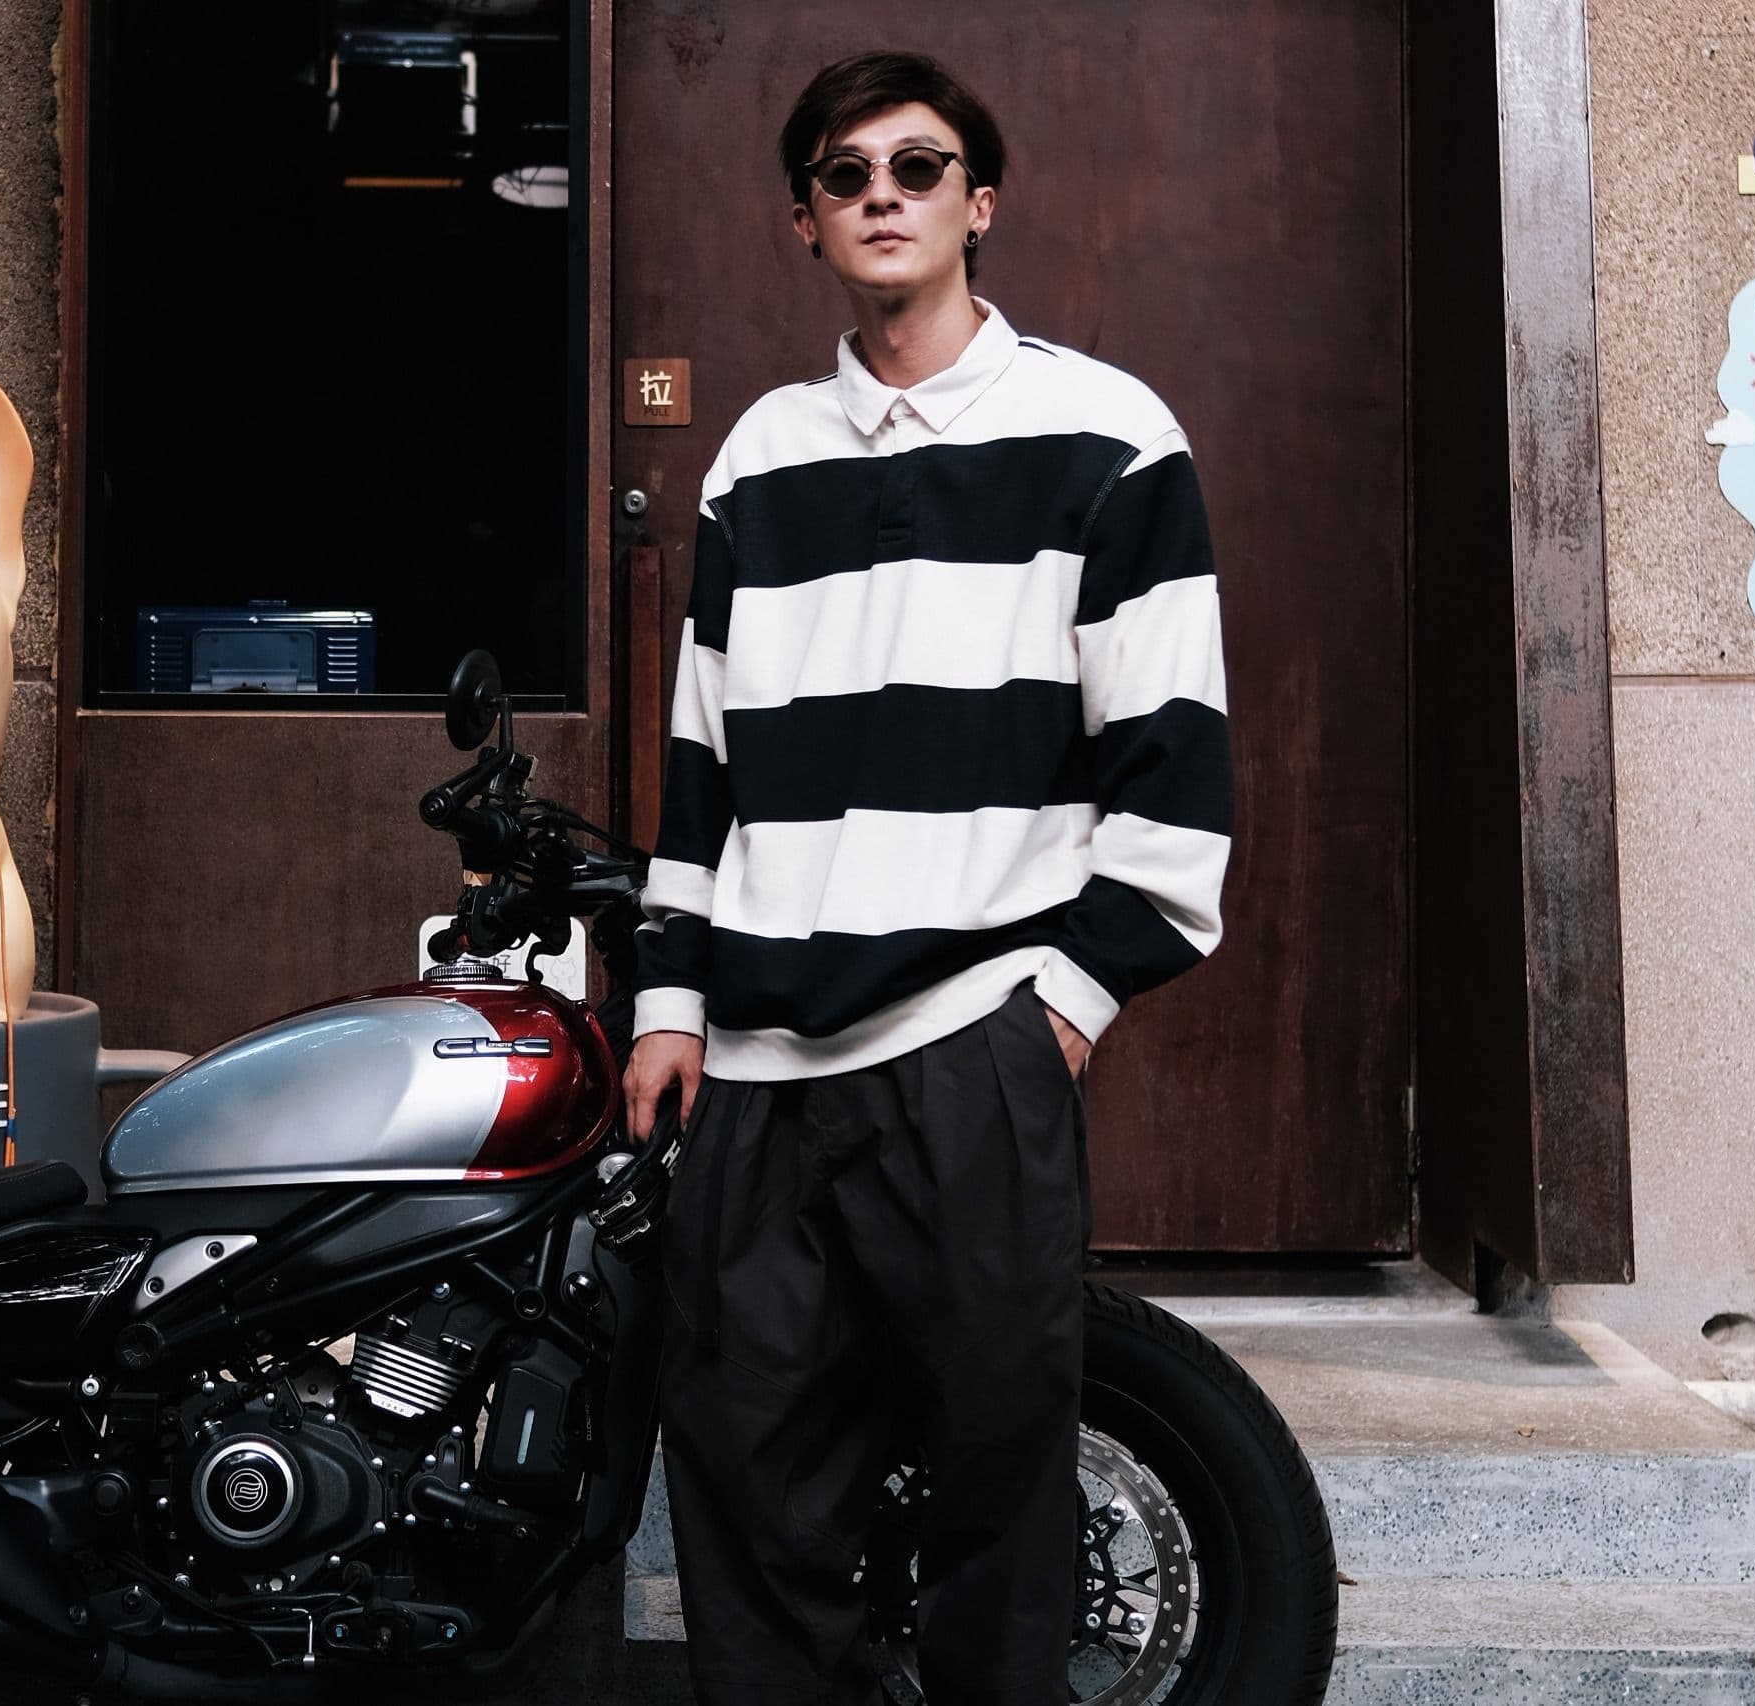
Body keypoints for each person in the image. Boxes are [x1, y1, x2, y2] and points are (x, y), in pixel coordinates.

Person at [618, 49, 1234, 1706]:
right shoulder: (756, 458)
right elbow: (701, 764)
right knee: (748, 1496)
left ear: (981, 202)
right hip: (752, 1065)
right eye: (844, 172)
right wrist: (670, 996)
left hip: (973, 1042)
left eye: (917, 164)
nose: (880, 192)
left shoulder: (1107, 437)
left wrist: (1066, 1002)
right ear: (802, 219)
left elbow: (1174, 773)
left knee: (994, 1494)